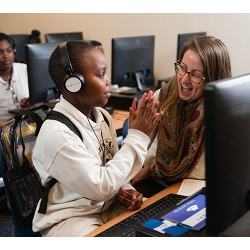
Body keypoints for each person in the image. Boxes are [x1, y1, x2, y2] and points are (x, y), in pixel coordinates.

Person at [31, 40, 162, 236]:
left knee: (157, 225)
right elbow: (101, 186)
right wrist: (138, 136)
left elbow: (113, 166)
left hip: (106, 207)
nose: (108, 80)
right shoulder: (57, 134)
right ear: (74, 83)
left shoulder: (102, 116)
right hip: (71, 220)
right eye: (101, 75)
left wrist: (124, 190)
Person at [131, 36, 232, 197]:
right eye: (182, 68)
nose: (184, 79)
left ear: (213, 78)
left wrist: (152, 170)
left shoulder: (219, 114)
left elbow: (199, 174)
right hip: (158, 183)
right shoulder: (164, 95)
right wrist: (136, 131)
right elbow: (144, 154)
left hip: (195, 191)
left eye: (196, 75)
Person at [0, 32, 30, 128]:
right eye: (0, 52)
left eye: (9, 51)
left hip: (27, 125)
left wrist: (31, 103)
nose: (6, 56)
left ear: (14, 52)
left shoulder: (25, 69)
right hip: (3, 130)